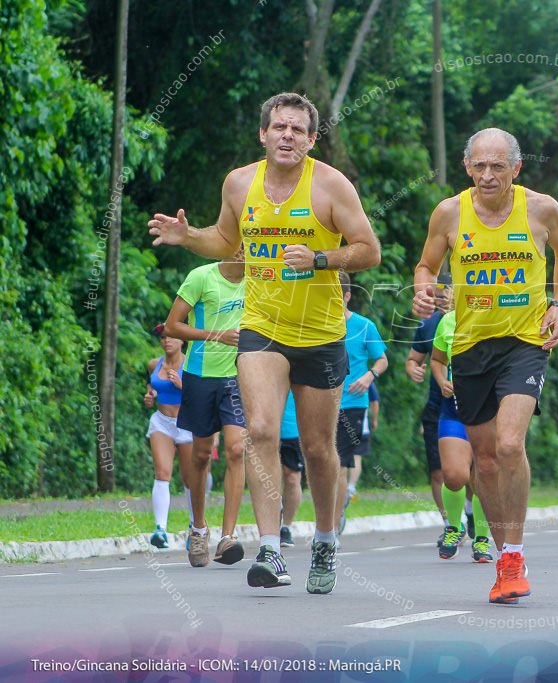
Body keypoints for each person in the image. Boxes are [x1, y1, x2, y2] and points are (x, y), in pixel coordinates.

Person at [149, 92, 381, 593]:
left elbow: (369, 251)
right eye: (279, 127)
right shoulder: (239, 182)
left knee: (319, 450)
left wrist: (320, 259)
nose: (287, 136)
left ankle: (323, 540)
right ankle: (271, 550)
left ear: (311, 139)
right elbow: (226, 242)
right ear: (263, 133)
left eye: (298, 130)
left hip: (320, 333)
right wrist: (188, 236)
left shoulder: (331, 185)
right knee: (258, 429)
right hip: (261, 327)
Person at [412, 127, 558, 604]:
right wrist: (424, 287)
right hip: (469, 346)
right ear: (467, 167)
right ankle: (505, 553)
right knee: (483, 459)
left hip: (525, 341)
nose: (487, 175)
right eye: (479, 166)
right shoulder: (449, 213)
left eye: (497, 166)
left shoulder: (541, 209)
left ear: (516, 169)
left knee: (508, 444)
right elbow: (426, 266)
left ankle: (513, 554)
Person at [164, 252, 247, 568]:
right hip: (199, 377)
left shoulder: (259, 281)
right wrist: (218, 336)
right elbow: (173, 326)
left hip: (236, 379)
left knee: (237, 450)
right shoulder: (201, 277)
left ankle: (228, 537)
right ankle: (198, 528)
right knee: (200, 456)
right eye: (237, 241)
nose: (243, 249)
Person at [431, 308, 494, 563]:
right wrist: (441, 380)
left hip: (490, 409)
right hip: (454, 409)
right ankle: (453, 528)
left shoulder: (501, 316)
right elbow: (437, 360)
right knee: (455, 475)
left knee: (484, 476)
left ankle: (481, 537)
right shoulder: (448, 320)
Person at [336, 272, 388, 534]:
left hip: (352, 404)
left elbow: (382, 360)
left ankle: (332, 528)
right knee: (324, 463)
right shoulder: (314, 325)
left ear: (347, 296)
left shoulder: (364, 326)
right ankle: (330, 518)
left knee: (341, 463)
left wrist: (369, 376)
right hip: (320, 403)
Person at [405, 274, 452, 540]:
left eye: (446, 294)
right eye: (438, 296)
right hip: (436, 407)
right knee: (438, 470)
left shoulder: (475, 321)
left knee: (469, 471)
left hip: (471, 406)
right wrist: (413, 369)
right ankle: (449, 524)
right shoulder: (428, 324)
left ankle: (470, 512)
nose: (442, 300)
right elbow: (413, 358)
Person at [143, 325, 193, 548]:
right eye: (163, 337)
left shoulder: (191, 363)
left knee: (190, 479)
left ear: (182, 340)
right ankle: (160, 530)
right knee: (162, 473)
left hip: (187, 423)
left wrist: (181, 385)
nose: (166, 341)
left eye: (171, 337)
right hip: (161, 422)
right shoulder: (154, 364)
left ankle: (196, 527)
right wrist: (150, 395)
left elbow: (201, 393)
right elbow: (151, 384)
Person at [279, 391, 304, 548]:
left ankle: (286, 527)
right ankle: (269, 528)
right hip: (266, 427)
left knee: (292, 478)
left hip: (294, 428)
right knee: (266, 478)